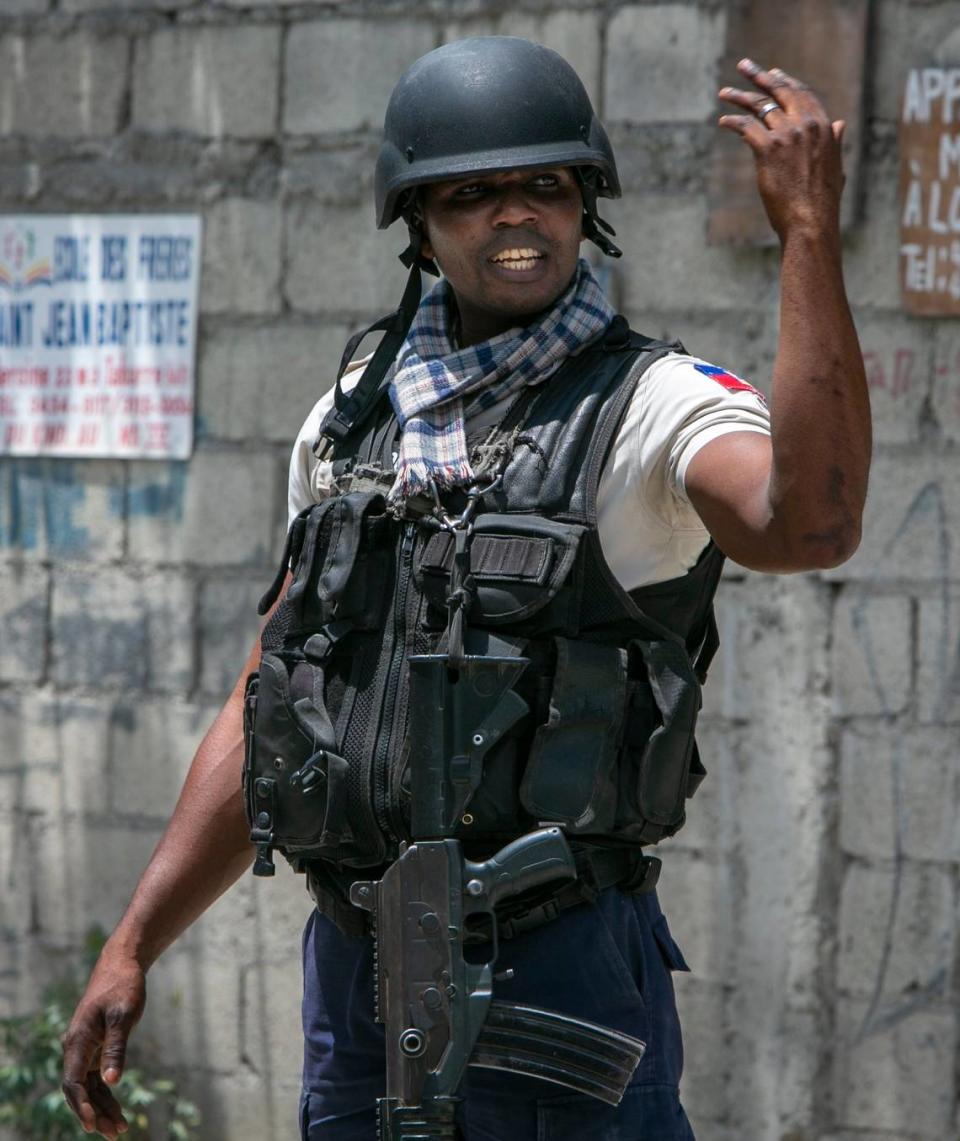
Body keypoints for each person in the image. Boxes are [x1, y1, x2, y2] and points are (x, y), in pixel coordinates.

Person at [62, 36, 870, 1141]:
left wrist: (808, 237)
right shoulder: (352, 422)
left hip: (561, 965)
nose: (515, 213)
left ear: (586, 203)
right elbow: (274, 695)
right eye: (472, 193)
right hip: (360, 974)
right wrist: (134, 940)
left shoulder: (651, 407)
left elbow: (809, 523)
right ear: (420, 225)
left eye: (546, 184)